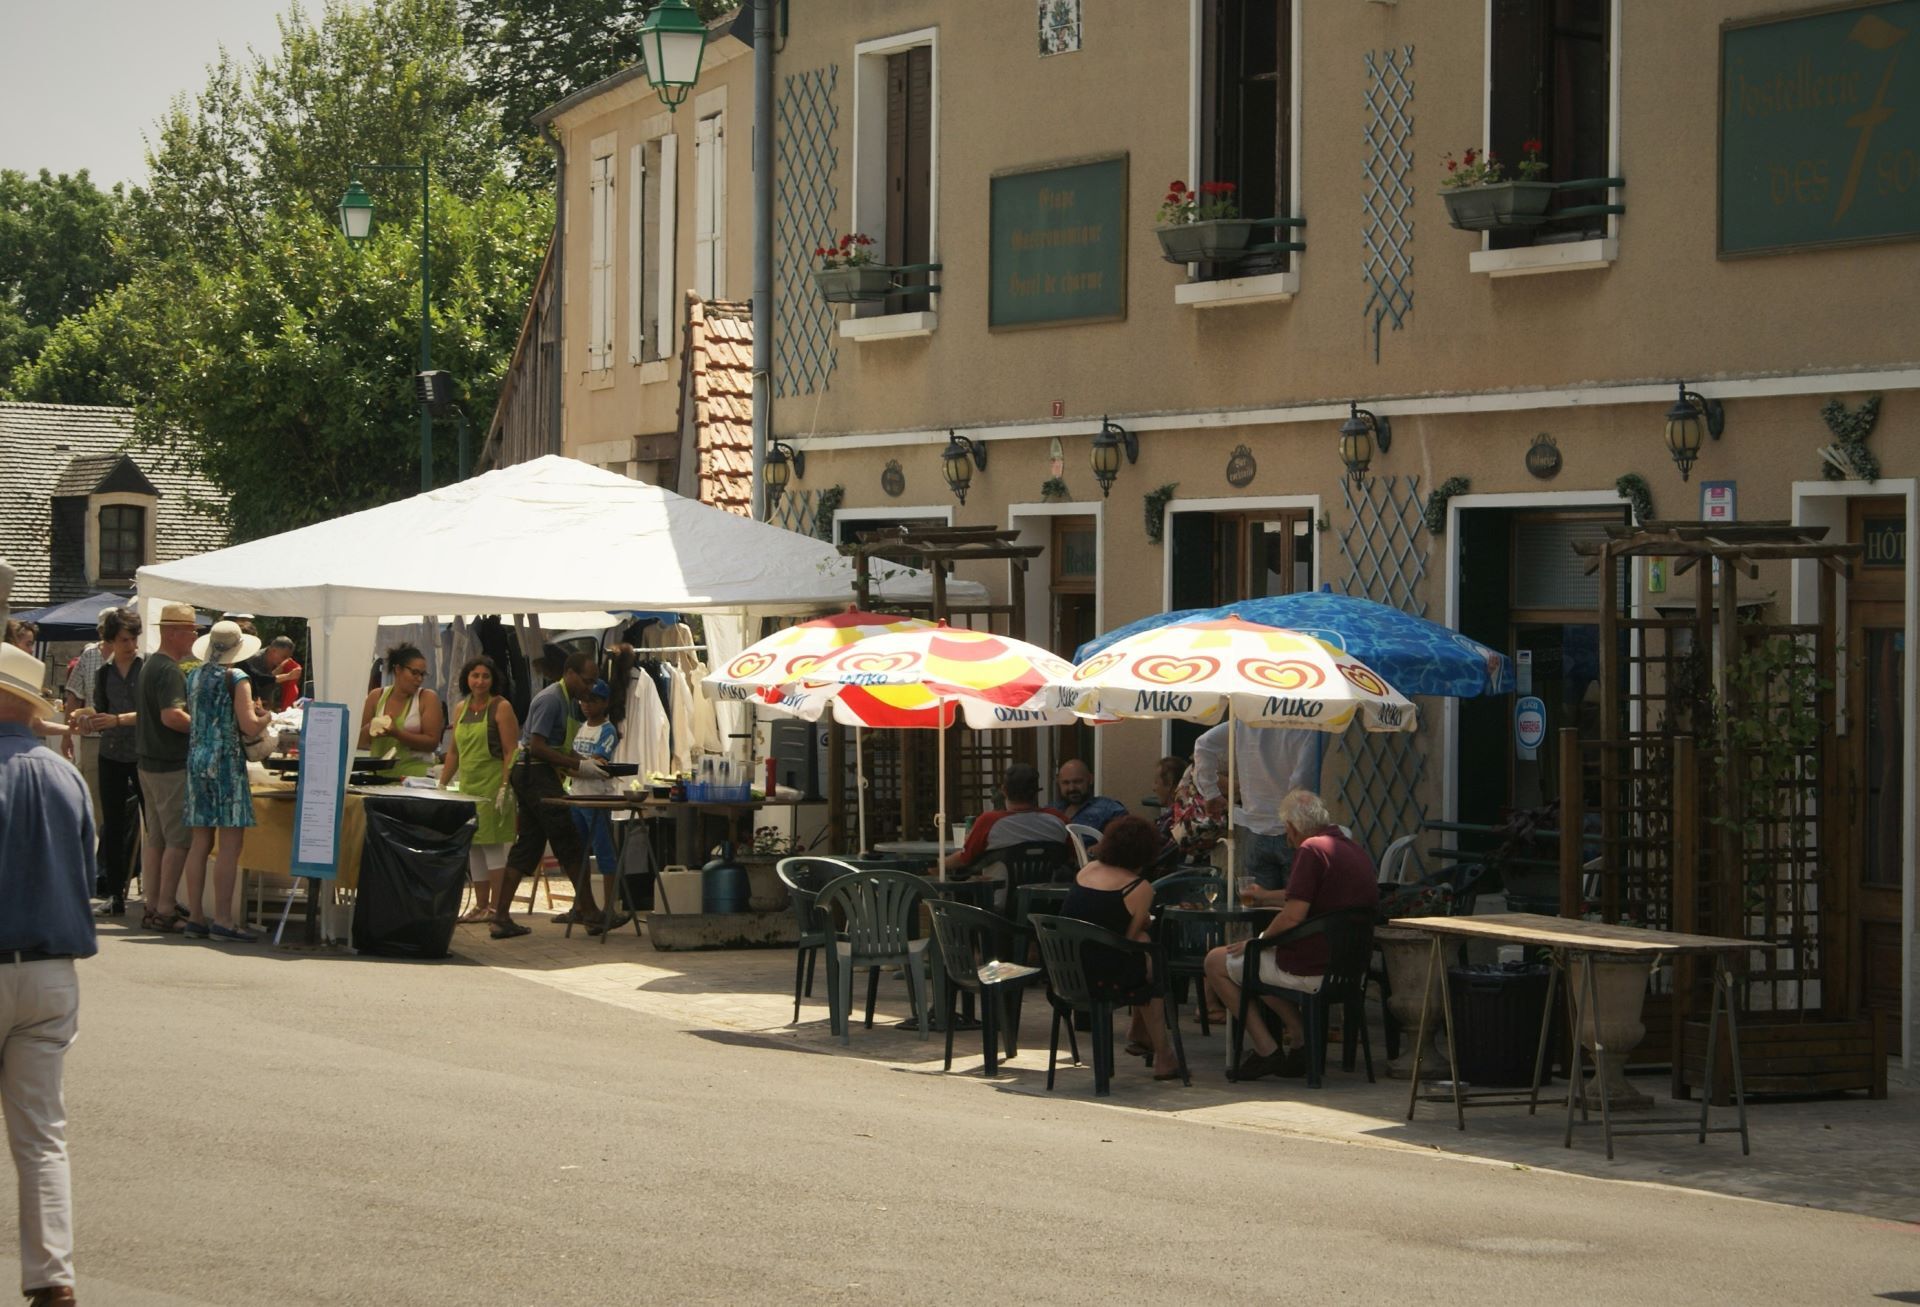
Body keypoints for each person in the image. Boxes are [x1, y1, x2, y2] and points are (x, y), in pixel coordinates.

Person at [0, 638, 97, 1307]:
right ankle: (52, 1276)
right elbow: (88, 868)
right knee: (41, 1135)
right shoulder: (66, 774)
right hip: (53, 964)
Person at [1201, 790, 1380, 1080]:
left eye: (1287, 831)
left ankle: (1266, 1049)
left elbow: (1294, 915)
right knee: (1257, 963)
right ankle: (1300, 1037)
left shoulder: (1310, 850)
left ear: (1293, 828)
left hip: (1313, 968)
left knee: (1217, 962)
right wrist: (1264, 897)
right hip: (1348, 969)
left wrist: (1258, 943)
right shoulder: (1348, 848)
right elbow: (1303, 896)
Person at [1058, 815, 1183, 1082]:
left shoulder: (1086, 871)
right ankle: (1163, 1054)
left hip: (1066, 972)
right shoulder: (1139, 888)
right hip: (1104, 979)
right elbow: (1128, 938)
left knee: (1143, 950)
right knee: (1148, 956)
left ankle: (1140, 1033)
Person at [493, 650, 602, 939]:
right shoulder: (551, 699)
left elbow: (560, 746)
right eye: (587, 681)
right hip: (534, 773)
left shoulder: (567, 701)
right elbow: (538, 746)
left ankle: (500, 918)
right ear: (570, 674)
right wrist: (578, 765)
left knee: (528, 846)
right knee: (569, 841)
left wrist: (589, 763)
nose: (590, 688)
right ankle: (590, 913)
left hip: (536, 773)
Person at [180, 620, 273, 943]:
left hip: (197, 758)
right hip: (225, 761)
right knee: (230, 844)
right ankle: (222, 919)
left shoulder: (194, 675)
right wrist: (265, 718)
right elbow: (248, 726)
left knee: (200, 841)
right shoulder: (238, 677)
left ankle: (195, 916)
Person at [1192, 721, 1322, 893]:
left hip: (1255, 828)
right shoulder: (1313, 721)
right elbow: (1302, 779)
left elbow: (1204, 744)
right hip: (1293, 830)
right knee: (1298, 904)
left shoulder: (1248, 718)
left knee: (1260, 906)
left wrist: (1210, 792)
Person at [441, 655, 520, 924]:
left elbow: (511, 750)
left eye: (485, 676)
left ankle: (497, 907)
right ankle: (481, 905)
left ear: (493, 680)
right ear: (467, 678)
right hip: (468, 786)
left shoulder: (501, 707)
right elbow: (453, 752)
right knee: (474, 846)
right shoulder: (460, 708)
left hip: (493, 785)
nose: (480, 681)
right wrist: (442, 783)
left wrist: (505, 786)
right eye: (475, 675)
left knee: (493, 847)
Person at [136, 603, 199, 934]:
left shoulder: (151, 665)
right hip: (169, 765)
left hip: (149, 762)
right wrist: (205, 725)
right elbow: (171, 716)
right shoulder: (170, 670)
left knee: (157, 839)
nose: (194, 636)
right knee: (178, 840)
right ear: (173, 632)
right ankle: (164, 908)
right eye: (190, 630)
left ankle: (153, 904)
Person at [80, 608, 144, 916]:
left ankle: (156, 893)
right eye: (123, 640)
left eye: (133, 639)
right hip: (111, 753)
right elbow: (99, 712)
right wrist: (87, 721)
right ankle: (116, 894)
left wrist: (117, 720)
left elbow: (153, 715)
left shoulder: (145, 669)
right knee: (114, 826)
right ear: (111, 641)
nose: (130, 645)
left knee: (153, 826)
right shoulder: (102, 673)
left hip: (143, 754)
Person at [568, 679, 630, 935]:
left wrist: (574, 764)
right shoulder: (581, 727)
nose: (586, 705)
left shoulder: (607, 731)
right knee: (576, 853)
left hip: (597, 799)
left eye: (592, 700)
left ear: (605, 703)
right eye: (583, 700)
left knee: (605, 854)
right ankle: (583, 905)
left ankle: (608, 908)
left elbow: (598, 763)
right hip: (576, 796)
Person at [942, 762, 1070, 875]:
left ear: (1004, 790)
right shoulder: (1059, 820)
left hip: (995, 898)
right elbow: (1074, 856)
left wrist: (937, 865)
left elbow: (963, 859)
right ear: (1036, 792)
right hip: (1048, 898)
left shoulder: (989, 821)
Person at [356, 645, 444, 779]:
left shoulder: (427, 698)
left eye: (422, 674)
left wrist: (397, 734)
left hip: (415, 779)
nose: (419, 679)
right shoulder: (376, 696)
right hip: (378, 777)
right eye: (414, 673)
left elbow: (432, 743)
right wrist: (372, 727)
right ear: (398, 669)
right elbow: (359, 742)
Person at [1048, 758, 1128, 833]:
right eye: (1066, 783)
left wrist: (1099, 847)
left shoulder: (1110, 810)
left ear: (1090, 779)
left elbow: (1124, 842)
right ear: (1058, 783)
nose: (1071, 788)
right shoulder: (1051, 811)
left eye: (1077, 782)